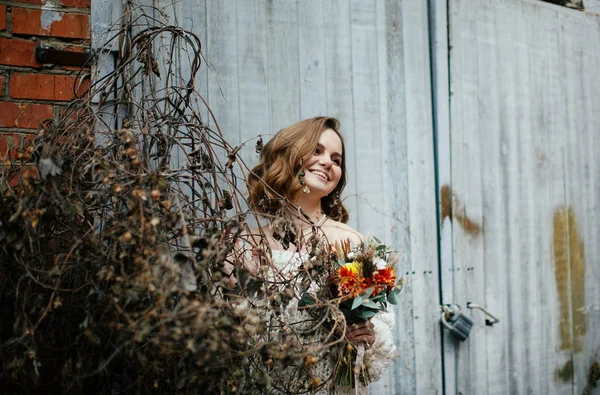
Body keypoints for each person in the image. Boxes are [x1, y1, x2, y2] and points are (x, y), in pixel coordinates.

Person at [242, 116, 396, 394]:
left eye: (336, 160)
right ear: (290, 155)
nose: (328, 162)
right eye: (317, 150)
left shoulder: (349, 242)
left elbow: (378, 329)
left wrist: (366, 334)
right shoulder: (246, 244)